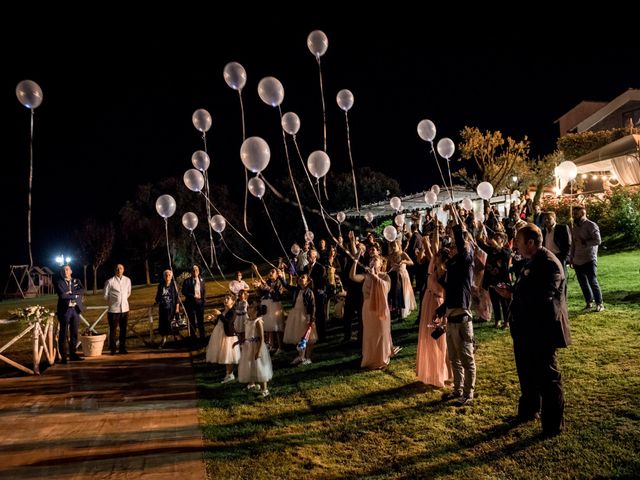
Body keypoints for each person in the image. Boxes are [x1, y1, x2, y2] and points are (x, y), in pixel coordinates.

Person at [496, 224, 571, 437]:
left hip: (542, 329)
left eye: (518, 242)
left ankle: (553, 424)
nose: (515, 246)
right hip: (525, 329)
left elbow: (542, 298)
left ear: (530, 242)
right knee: (526, 373)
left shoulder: (549, 264)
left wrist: (513, 296)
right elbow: (526, 289)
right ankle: (529, 410)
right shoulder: (532, 261)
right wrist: (511, 291)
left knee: (548, 377)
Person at [438, 223, 476, 406]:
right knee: (453, 358)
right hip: (451, 317)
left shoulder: (466, 261)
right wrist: (441, 309)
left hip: (462, 318)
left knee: (466, 358)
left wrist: (456, 228)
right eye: (451, 246)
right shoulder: (453, 266)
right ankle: (458, 389)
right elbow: (452, 291)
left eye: (455, 246)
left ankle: (468, 393)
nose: (452, 248)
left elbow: (462, 245)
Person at [570, 205, 604, 312]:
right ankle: (589, 302)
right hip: (577, 259)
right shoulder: (574, 226)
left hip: (589, 258)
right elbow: (573, 244)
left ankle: (600, 303)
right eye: (573, 213)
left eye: (576, 213)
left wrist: (585, 242)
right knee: (583, 283)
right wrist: (571, 257)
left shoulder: (591, 225)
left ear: (583, 213)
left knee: (592, 281)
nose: (573, 215)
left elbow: (598, 241)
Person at [238, 301, 273, 397]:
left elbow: (262, 337)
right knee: (249, 364)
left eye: (251, 307)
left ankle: (264, 389)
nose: (248, 307)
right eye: (249, 306)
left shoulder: (258, 322)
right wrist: (241, 341)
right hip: (248, 346)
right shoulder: (247, 321)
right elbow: (247, 334)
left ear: (256, 311)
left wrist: (259, 350)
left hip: (257, 346)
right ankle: (252, 383)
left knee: (259, 366)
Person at [54, 265, 85, 363]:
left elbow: (82, 290)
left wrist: (71, 294)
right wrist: (75, 295)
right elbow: (62, 295)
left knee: (74, 333)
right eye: (63, 270)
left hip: (75, 310)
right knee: (63, 333)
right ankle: (63, 357)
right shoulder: (59, 282)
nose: (65, 271)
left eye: (67, 270)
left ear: (71, 271)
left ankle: (73, 354)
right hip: (64, 311)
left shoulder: (76, 281)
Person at [206, 294, 240, 382]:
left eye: (228, 299)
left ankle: (230, 374)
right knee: (224, 355)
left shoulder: (233, 312)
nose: (225, 300)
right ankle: (227, 374)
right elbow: (218, 322)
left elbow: (228, 322)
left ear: (233, 301)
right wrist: (212, 319)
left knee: (229, 355)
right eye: (224, 298)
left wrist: (220, 314)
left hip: (229, 336)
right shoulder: (223, 311)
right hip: (221, 334)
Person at [103, 263, 132, 355]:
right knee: (113, 330)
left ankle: (122, 348)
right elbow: (105, 295)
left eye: (121, 268)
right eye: (117, 268)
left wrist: (122, 300)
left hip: (125, 309)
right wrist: (113, 301)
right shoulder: (110, 281)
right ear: (115, 270)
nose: (119, 270)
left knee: (123, 330)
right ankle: (113, 349)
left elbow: (128, 292)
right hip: (113, 310)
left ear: (123, 270)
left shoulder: (127, 280)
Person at [542, 211, 571, 296]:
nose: (547, 220)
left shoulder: (562, 228)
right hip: (548, 257)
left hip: (559, 256)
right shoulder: (543, 231)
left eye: (549, 218)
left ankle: (563, 298)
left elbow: (568, 244)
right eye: (545, 219)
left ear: (554, 219)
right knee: (550, 279)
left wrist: (565, 258)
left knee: (561, 278)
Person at [155, 269, 180, 348]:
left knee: (173, 324)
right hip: (163, 308)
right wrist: (158, 301)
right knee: (163, 325)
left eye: (169, 275)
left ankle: (176, 340)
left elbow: (177, 298)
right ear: (164, 276)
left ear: (171, 276)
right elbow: (157, 297)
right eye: (166, 275)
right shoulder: (160, 285)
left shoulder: (174, 285)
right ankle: (164, 340)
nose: (167, 276)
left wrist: (177, 308)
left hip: (172, 308)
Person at [182, 265, 206, 343]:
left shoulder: (202, 280)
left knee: (200, 320)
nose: (195, 271)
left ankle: (202, 337)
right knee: (191, 321)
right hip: (190, 303)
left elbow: (204, 291)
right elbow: (184, 291)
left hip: (200, 303)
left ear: (198, 271)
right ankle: (193, 337)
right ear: (191, 272)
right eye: (193, 270)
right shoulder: (187, 281)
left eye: (196, 270)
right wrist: (192, 296)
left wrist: (203, 301)